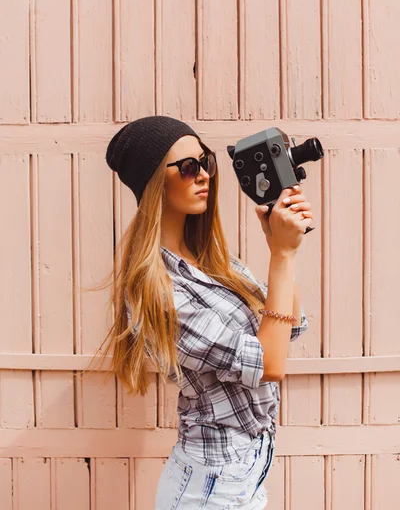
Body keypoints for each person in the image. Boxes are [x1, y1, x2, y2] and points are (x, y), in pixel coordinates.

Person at [102, 116, 312, 509]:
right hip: (208, 489)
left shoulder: (214, 263)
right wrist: (281, 257)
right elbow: (270, 363)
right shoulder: (156, 290)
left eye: (207, 161)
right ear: (153, 184)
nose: (204, 176)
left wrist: (282, 250)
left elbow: (288, 330)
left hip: (245, 474)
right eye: (188, 167)